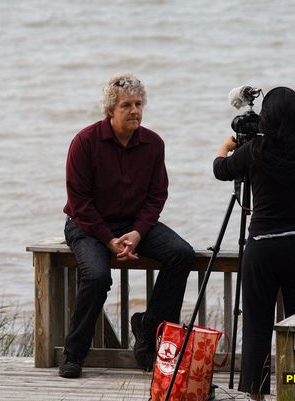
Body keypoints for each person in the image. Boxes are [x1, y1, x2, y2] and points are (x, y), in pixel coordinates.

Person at [59, 73, 195, 379]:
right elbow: (79, 202)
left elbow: (157, 194)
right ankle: (74, 353)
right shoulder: (84, 142)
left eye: (138, 104)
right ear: (110, 110)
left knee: (182, 254)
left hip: (135, 224)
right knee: (96, 276)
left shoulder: (153, 143)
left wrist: (137, 232)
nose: (135, 110)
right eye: (126, 105)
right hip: (87, 225)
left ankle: (149, 333)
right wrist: (109, 240)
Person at [213, 86, 295, 399]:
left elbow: (220, 170)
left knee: (257, 326)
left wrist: (227, 145)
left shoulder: (255, 149)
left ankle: (253, 395)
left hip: (262, 248)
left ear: (266, 118)